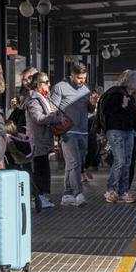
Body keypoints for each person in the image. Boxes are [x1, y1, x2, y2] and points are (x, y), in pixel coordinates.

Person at [49, 62, 95, 206]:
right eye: (80, 78)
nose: (82, 81)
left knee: (74, 162)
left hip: (83, 130)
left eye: (84, 77)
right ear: (72, 75)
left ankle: (67, 194)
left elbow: (89, 110)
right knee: (74, 161)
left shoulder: (86, 88)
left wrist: (92, 103)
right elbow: (52, 109)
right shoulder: (59, 87)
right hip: (68, 132)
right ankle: (78, 193)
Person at [99, 70, 136, 203]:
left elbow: (134, 116)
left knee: (127, 161)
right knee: (120, 160)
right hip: (116, 131)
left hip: (128, 131)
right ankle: (111, 189)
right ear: (131, 82)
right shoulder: (116, 94)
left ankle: (123, 191)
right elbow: (106, 111)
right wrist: (122, 106)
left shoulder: (130, 96)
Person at [24, 71, 63, 209]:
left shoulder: (42, 98)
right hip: (38, 141)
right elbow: (38, 118)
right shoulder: (34, 100)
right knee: (40, 170)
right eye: (46, 82)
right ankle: (38, 197)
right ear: (37, 85)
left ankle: (41, 196)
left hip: (43, 140)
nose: (49, 84)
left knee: (43, 169)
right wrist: (56, 117)